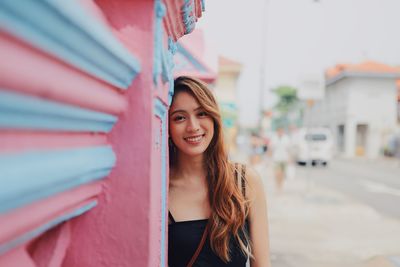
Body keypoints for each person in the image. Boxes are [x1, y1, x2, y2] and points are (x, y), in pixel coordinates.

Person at [168, 76, 271, 267]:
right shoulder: (161, 190)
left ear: (214, 118)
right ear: (167, 126)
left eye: (201, 114)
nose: (193, 127)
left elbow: (262, 264)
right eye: (179, 117)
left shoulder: (244, 181)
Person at [269, 127, 291, 192]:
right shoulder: (274, 138)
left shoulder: (286, 138)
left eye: (281, 131)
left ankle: (281, 186)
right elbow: (270, 149)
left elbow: (288, 149)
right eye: (279, 131)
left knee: (282, 174)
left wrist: (289, 158)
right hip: (276, 159)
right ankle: (277, 185)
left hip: (284, 159)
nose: (280, 132)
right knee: (277, 173)